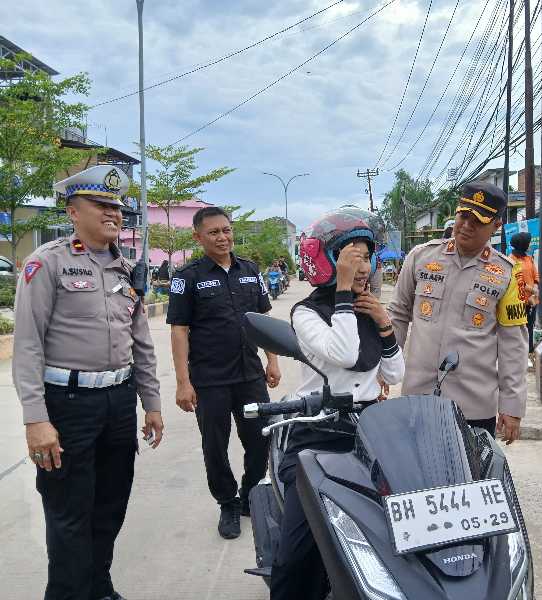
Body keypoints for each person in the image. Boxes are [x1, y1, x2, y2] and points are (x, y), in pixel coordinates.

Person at [13, 165, 163, 600]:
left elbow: (142, 343)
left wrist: (150, 403)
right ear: (72, 210)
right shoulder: (48, 262)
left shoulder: (125, 268)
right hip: (68, 404)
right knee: (68, 516)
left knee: (109, 508)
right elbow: (27, 346)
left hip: (118, 402)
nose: (113, 213)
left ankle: (98, 586)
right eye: (101, 204)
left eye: (116, 206)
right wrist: (35, 419)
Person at [271, 207, 404, 600]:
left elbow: (394, 374)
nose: (362, 266)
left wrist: (384, 323)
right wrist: (344, 293)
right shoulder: (306, 312)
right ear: (328, 260)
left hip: (368, 429)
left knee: (391, 531)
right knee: (296, 551)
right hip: (317, 429)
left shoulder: (368, 308)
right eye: (352, 257)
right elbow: (344, 353)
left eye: (366, 256)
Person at [167, 206, 281, 540]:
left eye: (227, 230)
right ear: (198, 236)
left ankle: (248, 494)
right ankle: (227, 503)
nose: (223, 237)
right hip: (209, 379)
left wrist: (272, 361)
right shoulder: (187, 277)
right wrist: (183, 382)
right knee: (214, 446)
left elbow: (263, 321)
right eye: (214, 232)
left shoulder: (250, 270)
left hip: (249, 375)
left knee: (260, 441)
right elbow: (179, 331)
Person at [388, 181, 529, 442]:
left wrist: (512, 406)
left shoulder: (508, 275)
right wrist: (383, 369)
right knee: (414, 478)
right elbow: (397, 315)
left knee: (469, 478)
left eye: (478, 220)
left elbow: (514, 345)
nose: (466, 225)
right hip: (417, 396)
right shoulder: (421, 257)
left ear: (496, 226)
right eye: (463, 215)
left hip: (473, 407)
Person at [509, 231, 540, 353]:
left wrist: (536, 286)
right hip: (520, 300)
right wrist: (532, 289)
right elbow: (517, 281)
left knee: (530, 324)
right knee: (519, 327)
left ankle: (529, 349)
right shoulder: (511, 260)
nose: (529, 245)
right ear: (522, 245)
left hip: (532, 299)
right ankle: (519, 350)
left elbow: (535, 274)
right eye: (527, 243)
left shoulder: (528, 258)